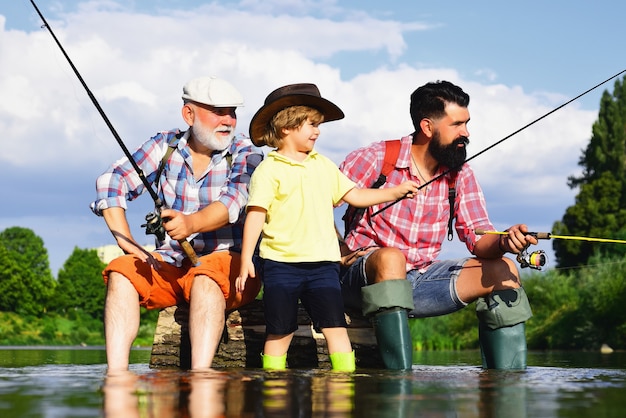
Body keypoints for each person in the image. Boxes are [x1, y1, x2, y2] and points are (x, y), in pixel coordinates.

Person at [338, 80, 537, 370]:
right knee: (391, 257)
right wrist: (337, 249)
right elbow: (312, 202)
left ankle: (505, 387)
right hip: (362, 279)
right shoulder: (377, 158)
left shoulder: (461, 175)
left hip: (422, 281)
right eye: (457, 124)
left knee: (504, 269)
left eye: (467, 123)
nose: (466, 133)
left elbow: (479, 237)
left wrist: (505, 241)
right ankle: (399, 383)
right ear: (427, 127)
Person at [236, 83, 419, 371]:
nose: (317, 131)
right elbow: (256, 215)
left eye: (318, 125)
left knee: (335, 327)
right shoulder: (268, 170)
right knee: (280, 331)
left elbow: (356, 195)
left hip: (324, 265)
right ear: (286, 127)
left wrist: (394, 192)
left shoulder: (324, 165)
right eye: (311, 124)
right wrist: (247, 258)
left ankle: (343, 385)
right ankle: (274, 386)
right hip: (280, 264)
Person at [90, 76, 263, 372]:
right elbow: (111, 181)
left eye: (231, 112)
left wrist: (191, 223)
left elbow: (235, 201)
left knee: (205, 278)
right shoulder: (164, 145)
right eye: (218, 112)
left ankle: (201, 376)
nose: (228, 120)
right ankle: (117, 376)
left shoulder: (248, 152)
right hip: (170, 263)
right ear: (189, 115)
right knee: (120, 272)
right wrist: (127, 242)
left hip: (230, 267)